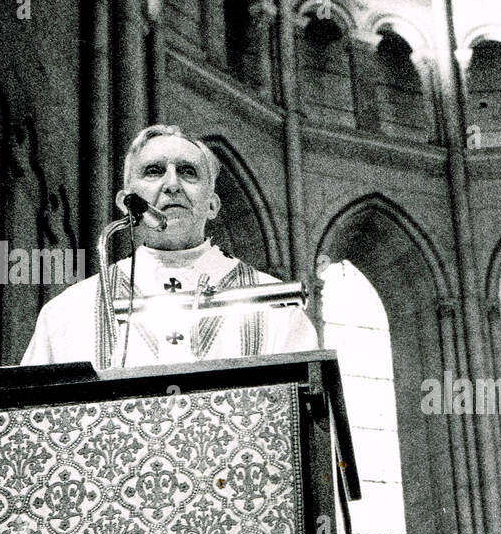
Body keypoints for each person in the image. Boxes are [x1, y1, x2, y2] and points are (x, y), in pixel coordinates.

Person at [20, 124, 317, 368]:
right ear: (126, 202)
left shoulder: (275, 305)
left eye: (188, 172)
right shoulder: (68, 312)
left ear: (212, 204)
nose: (172, 184)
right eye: (153, 171)